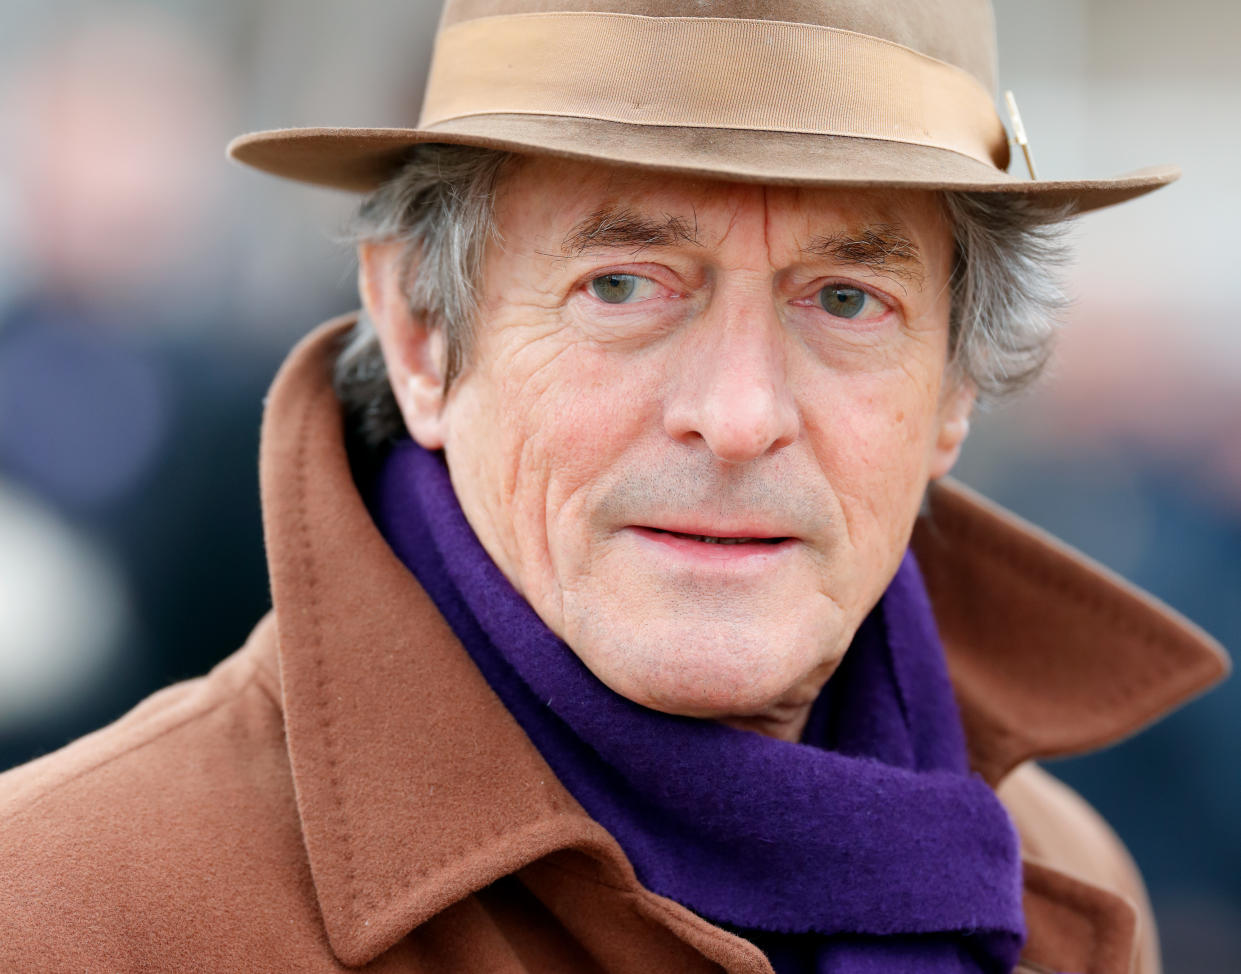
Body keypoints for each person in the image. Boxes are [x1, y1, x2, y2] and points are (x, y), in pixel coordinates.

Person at [0, 2, 1228, 972]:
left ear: (952, 393)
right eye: (624, 285)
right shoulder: (64, 906)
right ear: (421, 335)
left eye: (846, 300)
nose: (740, 416)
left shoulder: (1063, 879)